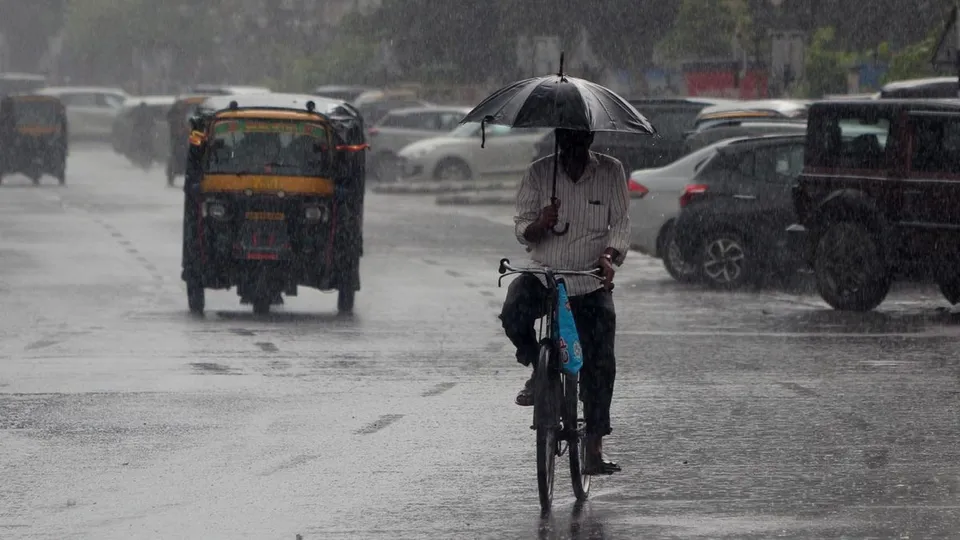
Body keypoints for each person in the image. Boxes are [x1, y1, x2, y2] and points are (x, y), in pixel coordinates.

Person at [500, 128, 630, 475]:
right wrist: (540, 223)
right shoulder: (539, 172)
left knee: (600, 361)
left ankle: (594, 447)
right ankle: (538, 369)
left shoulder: (611, 171)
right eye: (567, 142)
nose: (574, 150)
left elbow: (620, 225)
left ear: (590, 138)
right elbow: (522, 227)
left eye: (580, 141)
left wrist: (608, 257)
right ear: (559, 139)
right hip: (545, 275)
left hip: (589, 279)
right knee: (513, 312)